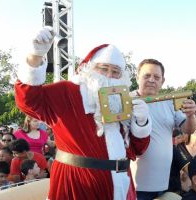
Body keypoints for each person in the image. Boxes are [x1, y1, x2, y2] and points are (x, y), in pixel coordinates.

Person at [15, 27, 152, 200]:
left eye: (116, 72)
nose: (109, 75)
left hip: (122, 185)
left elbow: (136, 150)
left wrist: (141, 123)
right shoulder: (67, 91)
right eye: (103, 68)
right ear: (89, 68)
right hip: (77, 184)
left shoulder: (120, 99)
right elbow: (28, 101)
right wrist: (34, 57)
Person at [130, 58, 196, 200]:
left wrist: (191, 116)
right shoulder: (126, 101)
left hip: (162, 184)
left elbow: (189, 130)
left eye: (156, 77)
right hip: (133, 184)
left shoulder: (169, 101)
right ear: (137, 78)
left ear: (162, 81)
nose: (151, 80)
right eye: (147, 76)